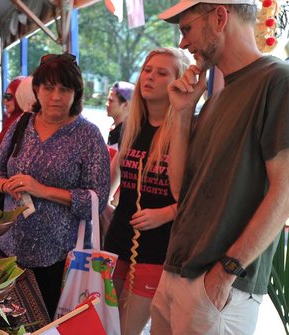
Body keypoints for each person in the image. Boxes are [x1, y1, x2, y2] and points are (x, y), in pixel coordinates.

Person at [148, 1, 289, 334]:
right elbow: (180, 190)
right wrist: (183, 113)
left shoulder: (278, 81)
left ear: (220, 16)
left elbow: (285, 191)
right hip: (180, 273)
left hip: (220, 286)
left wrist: (227, 271)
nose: (183, 43)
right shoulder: (217, 96)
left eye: (186, 29)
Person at [0, 53, 110, 316]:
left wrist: (42, 190)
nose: (56, 96)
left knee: (54, 328)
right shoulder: (22, 124)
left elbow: (96, 200)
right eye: (48, 87)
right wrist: (4, 184)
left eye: (65, 89)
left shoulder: (88, 136)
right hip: (11, 255)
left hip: (63, 260)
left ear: (76, 93)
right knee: (12, 327)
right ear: (37, 90)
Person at [102, 48, 189, 335]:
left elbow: (200, 195)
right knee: (106, 325)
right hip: (117, 242)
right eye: (147, 70)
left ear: (178, 82)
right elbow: (111, 180)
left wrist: (166, 213)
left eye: (161, 73)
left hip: (156, 249)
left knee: (127, 329)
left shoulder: (186, 130)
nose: (149, 77)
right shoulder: (132, 126)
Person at [105, 81, 135, 149]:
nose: (106, 104)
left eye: (111, 101)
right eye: (107, 100)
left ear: (125, 105)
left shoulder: (127, 134)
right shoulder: (115, 129)